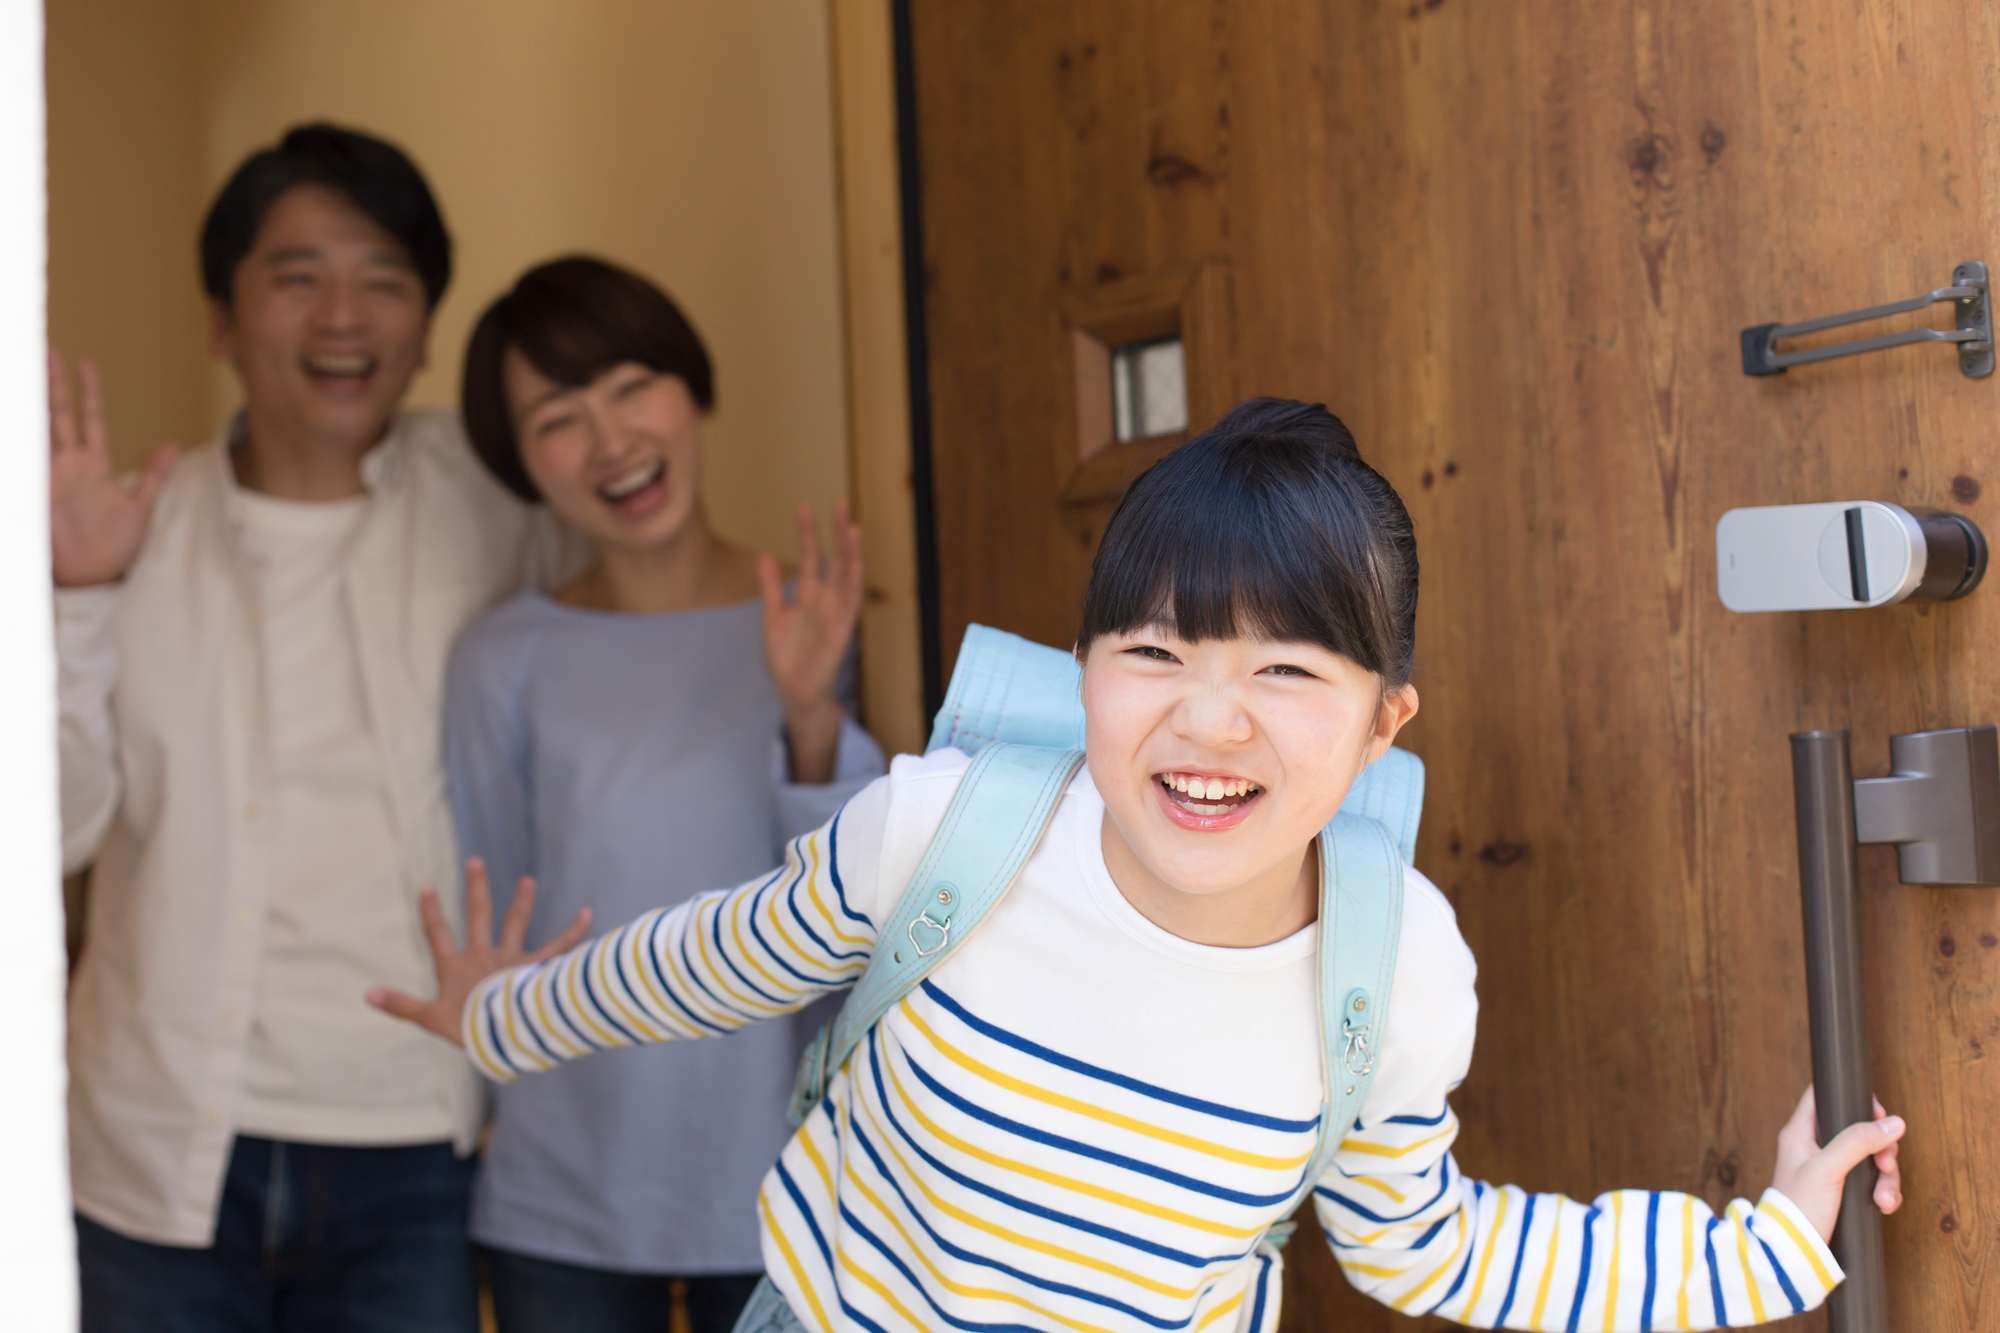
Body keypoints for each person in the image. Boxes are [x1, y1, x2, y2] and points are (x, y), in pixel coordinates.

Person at [370, 398, 1906, 1332]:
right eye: (1156, 652)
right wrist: (497, 1016)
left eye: (1287, 671)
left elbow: (1432, 1248)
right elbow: (713, 961)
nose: (1208, 721)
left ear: (1386, 724)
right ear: (1086, 668)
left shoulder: (1395, 966)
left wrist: (1763, 1249)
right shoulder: (952, 830)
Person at [53, 122, 577, 1332]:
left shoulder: (503, 505)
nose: (343, 317)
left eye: (384, 279)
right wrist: (75, 597)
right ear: (222, 321)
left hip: (418, 1141)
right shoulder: (131, 531)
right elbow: (56, 832)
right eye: (297, 277)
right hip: (162, 1141)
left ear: (427, 326)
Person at [442, 256, 886, 1331]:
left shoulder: (809, 616)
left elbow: (860, 904)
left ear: (692, 391)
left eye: (632, 386)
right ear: (520, 462)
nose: (610, 440)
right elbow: (494, 909)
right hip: (565, 1184)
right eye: (558, 417)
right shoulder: (503, 657)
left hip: (786, 1175)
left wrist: (810, 708)